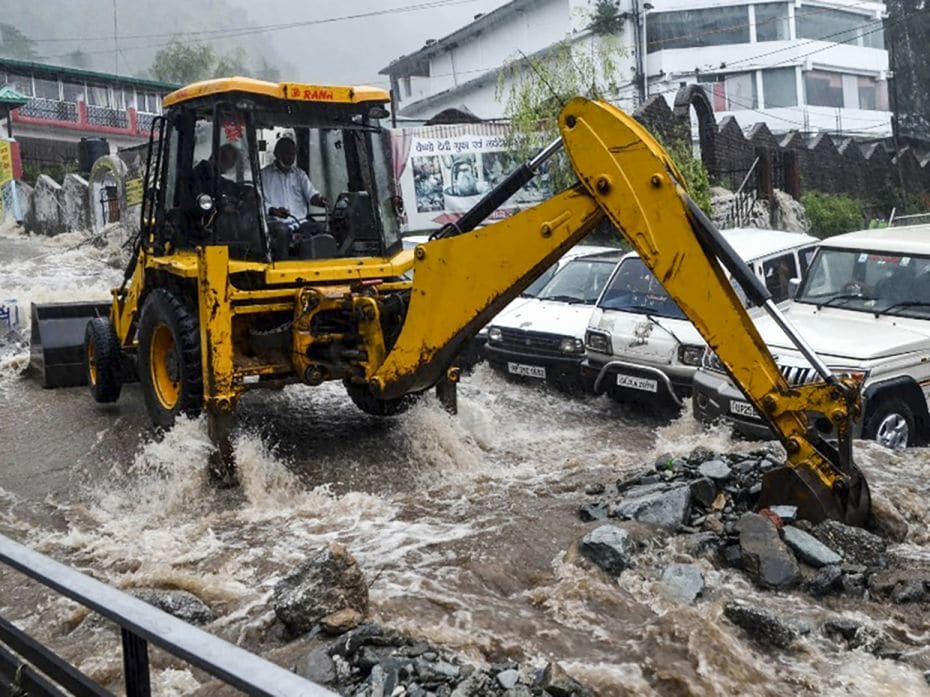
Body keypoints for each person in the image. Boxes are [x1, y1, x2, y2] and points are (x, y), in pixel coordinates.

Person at [260, 135, 330, 221]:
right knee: (281, 230)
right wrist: (272, 210)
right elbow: (259, 202)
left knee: (321, 229)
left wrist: (320, 200)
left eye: (293, 154)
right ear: (277, 154)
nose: (291, 158)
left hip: (301, 223)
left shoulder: (300, 174)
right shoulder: (263, 175)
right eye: (287, 154)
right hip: (276, 225)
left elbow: (311, 195)